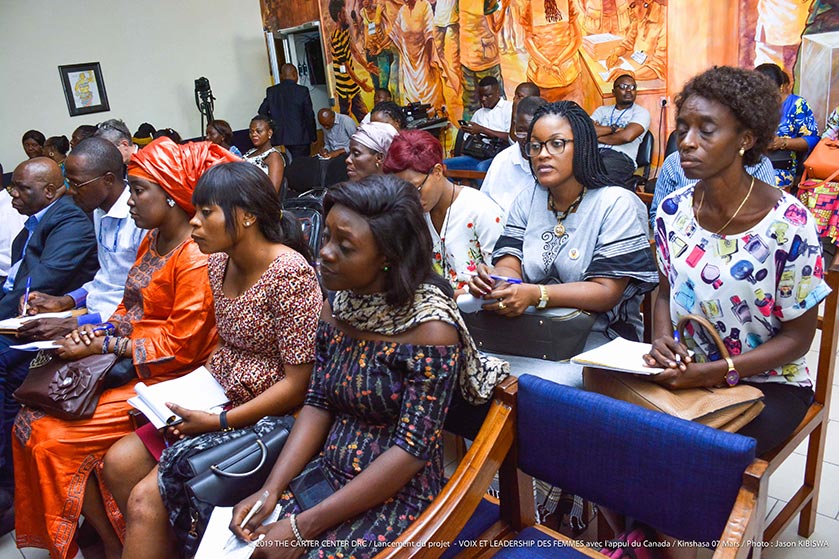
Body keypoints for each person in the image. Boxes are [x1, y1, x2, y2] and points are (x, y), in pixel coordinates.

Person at [224, 175, 495, 559]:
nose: (326, 253)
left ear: (388, 257)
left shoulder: (430, 329)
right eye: (327, 237)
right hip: (328, 471)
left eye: (345, 246)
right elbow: (318, 402)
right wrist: (271, 489)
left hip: (398, 494)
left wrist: (303, 529)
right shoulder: (339, 303)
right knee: (244, 534)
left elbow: (411, 450)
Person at [12, 137, 231, 559]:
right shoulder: (153, 240)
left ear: (170, 196)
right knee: (31, 415)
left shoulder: (193, 256)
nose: (129, 201)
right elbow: (129, 308)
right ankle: (111, 537)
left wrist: (105, 343)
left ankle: (115, 542)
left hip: (170, 376)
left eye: (138, 189)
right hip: (130, 360)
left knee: (48, 437)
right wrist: (90, 334)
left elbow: (181, 347)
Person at [109, 162, 323, 558]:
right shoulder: (218, 262)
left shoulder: (289, 274)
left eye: (206, 212)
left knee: (145, 499)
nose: (194, 224)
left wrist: (217, 420)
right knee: (118, 463)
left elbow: (299, 384)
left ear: (245, 216)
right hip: (217, 393)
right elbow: (225, 347)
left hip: (266, 413)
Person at [649, 65, 830, 457]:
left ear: (745, 139)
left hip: (768, 381)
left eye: (706, 130)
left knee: (697, 453)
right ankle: (641, 519)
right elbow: (665, 293)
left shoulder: (790, 223)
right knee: (617, 430)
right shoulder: (671, 211)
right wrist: (662, 338)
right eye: (683, 128)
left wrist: (718, 371)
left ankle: (664, 519)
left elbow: (798, 339)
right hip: (688, 370)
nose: (687, 142)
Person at [0, 139, 145, 507]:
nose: (69, 190)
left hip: (117, 331)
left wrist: (71, 322)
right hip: (94, 318)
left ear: (108, 180)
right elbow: (104, 282)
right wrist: (67, 302)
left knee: (20, 375)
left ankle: (28, 492)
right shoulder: (96, 210)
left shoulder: (138, 220)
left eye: (76, 182)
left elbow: (132, 300)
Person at [467, 101, 658, 350]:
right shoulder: (528, 198)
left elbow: (606, 292)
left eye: (556, 144)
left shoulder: (616, 203)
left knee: (525, 383)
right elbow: (509, 260)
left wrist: (537, 294)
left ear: (584, 147)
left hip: (601, 338)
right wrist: (499, 283)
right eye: (534, 146)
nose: (542, 154)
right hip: (534, 330)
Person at [385, 130, 504, 293]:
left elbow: (501, 280)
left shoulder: (480, 210)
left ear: (438, 171)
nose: (411, 198)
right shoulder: (414, 212)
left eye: (416, 189)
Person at [0, 158, 97, 321]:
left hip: (40, 315)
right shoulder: (38, 217)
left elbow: (44, 279)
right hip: (11, 298)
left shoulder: (71, 218)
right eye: (13, 186)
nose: (14, 194)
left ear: (49, 191)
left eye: (22, 188)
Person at [649, 150, 777, 228]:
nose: (689, 140)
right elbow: (658, 215)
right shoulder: (674, 162)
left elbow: (767, 219)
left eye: (707, 130)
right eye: (684, 130)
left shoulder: (758, 164)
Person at [755, 63, 819, 189]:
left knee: (763, 190)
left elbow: (812, 140)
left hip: (779, 166)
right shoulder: (752, 104)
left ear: (781, 87)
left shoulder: (797, 105)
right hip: (752, 163)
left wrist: (782, 142)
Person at [484, 96, 548, 214]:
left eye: (533, 133)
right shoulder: (502, 160)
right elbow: (485, 204)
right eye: (521, 131)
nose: (526, 140)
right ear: (515, 125)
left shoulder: (554, 164)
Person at [591, 73, 651, 189]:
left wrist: (597, 136)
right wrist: (613, 129)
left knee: (598, 174)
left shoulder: (641, 113)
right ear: (614, 92)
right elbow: (585, 130)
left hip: (621, 158)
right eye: (623, 86)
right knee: (571, 169)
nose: (629, 90)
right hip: (594, 154)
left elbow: (626, 136)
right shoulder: (602, 110)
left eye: (633, 87)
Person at [519, 0, 585, 103]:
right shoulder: (529, 5)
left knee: (572, 116)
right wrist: (549, 64)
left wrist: (557, 62)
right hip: (539, 81)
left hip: (569, 79)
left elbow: (577, 38)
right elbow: (528, 40)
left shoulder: (568, 2)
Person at [445, 76, 513, 173]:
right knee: (444, 165)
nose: (483, 99)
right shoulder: (478, 114)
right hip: (478, 155)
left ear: (497, 92)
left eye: (487, 95)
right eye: (481, 95)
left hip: (500, 157)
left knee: (481, 168)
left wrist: (482, 130)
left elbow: (510, 138)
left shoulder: (509, 109)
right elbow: (465, 140)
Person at [390, 0, 446, 110]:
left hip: (424, 58)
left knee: (430, 92)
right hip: (408, 62)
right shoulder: (403, 10)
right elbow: (393, 33)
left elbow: (429, 35)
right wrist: (380, 46)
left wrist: (430, 60)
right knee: (411, 99)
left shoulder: (424, 6)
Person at [327, 0, 375, 122]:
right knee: (347, 121)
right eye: (344, 13)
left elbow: (354, 52)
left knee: (364, 118)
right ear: (339, 15)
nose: (347, 15)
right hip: (344, 91)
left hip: (352, 87)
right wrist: (361, 84)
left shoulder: (345, 33)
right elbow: (346, 67)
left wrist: (366, 66)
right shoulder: (336, 38)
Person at [258, 63, 317, 158]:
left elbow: (262, 111)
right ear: (295, 74)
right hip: (300, 137)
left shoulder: (272, 91)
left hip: (279, 137)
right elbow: (309, 115)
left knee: (285, 166)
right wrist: (313, 136)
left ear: (282, 76)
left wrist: (273, 124)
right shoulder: (302, 91)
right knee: (301, 166)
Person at [242, 115, 285, 193]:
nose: (254, 134)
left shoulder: (273, 156)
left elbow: (273, 191)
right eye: (251, 132)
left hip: (258, 201)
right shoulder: (250, 151)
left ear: (269, 133)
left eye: (259, 131)